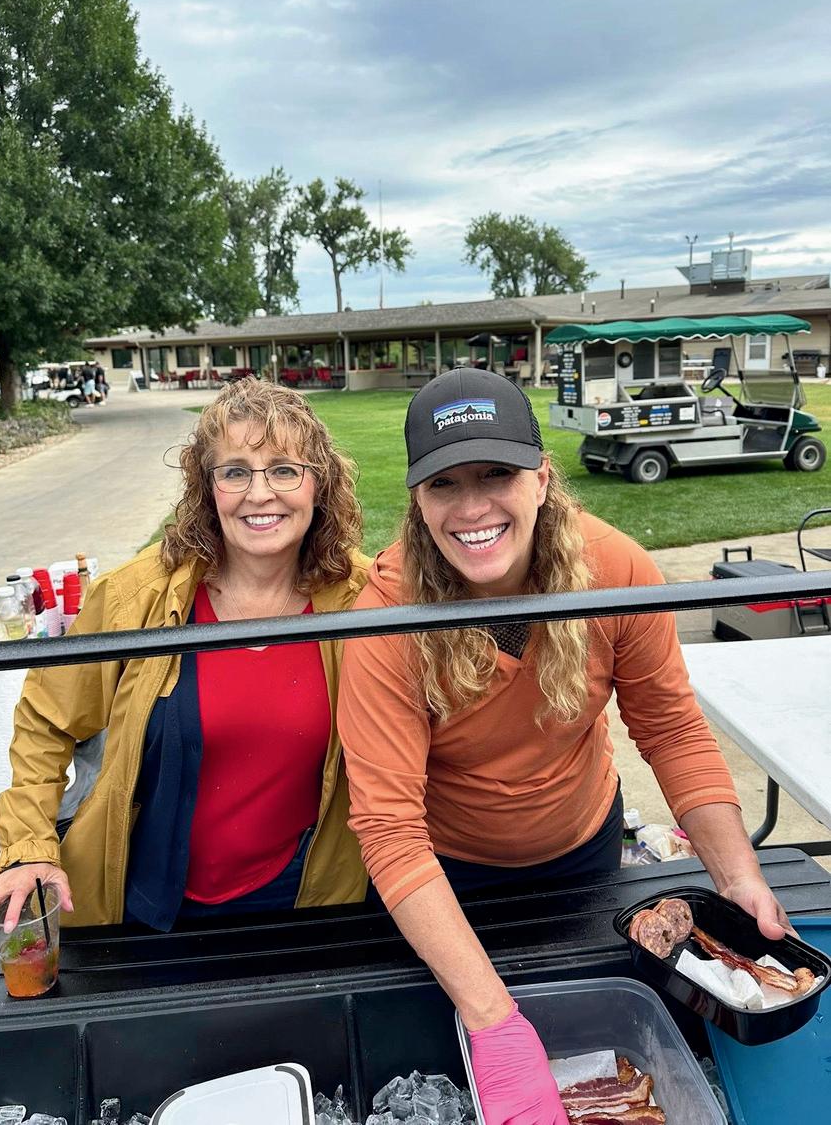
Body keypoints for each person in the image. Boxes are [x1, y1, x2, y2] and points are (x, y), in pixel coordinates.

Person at [337, 368, 793, 1125]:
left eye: (497, 473)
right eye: (445, 483)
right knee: (458, 1049)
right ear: (417, 500)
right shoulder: (385, 615)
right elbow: (388, 827)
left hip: (583, 852)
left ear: (543, 478)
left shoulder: (616, 571)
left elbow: (672, 730)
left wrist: (739, 877)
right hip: (444, 873)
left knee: (590, 1037)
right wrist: (492, 1022)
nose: (473, 507)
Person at [0, 378, 369, 935]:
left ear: (318, 485)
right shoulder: (135, 597)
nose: (260, 494)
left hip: (304, 889)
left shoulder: (365, 599)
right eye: (235, 472)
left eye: (284, 470)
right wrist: (29, 849)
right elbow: (46, 719)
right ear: (207, 487)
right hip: (144, 893)